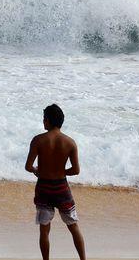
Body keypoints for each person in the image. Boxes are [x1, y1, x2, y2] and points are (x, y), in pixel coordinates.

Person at [24, 104, 86, 260]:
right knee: (73, 226)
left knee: (44, 230)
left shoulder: (38, 140)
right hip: (61, 189)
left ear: (48, 121)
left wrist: (38, 171)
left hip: (44, 188)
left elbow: (28, 166)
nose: (43, 122)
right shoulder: (70, 142)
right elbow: (75, 170)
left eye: (44, 119)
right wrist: (60, 171)